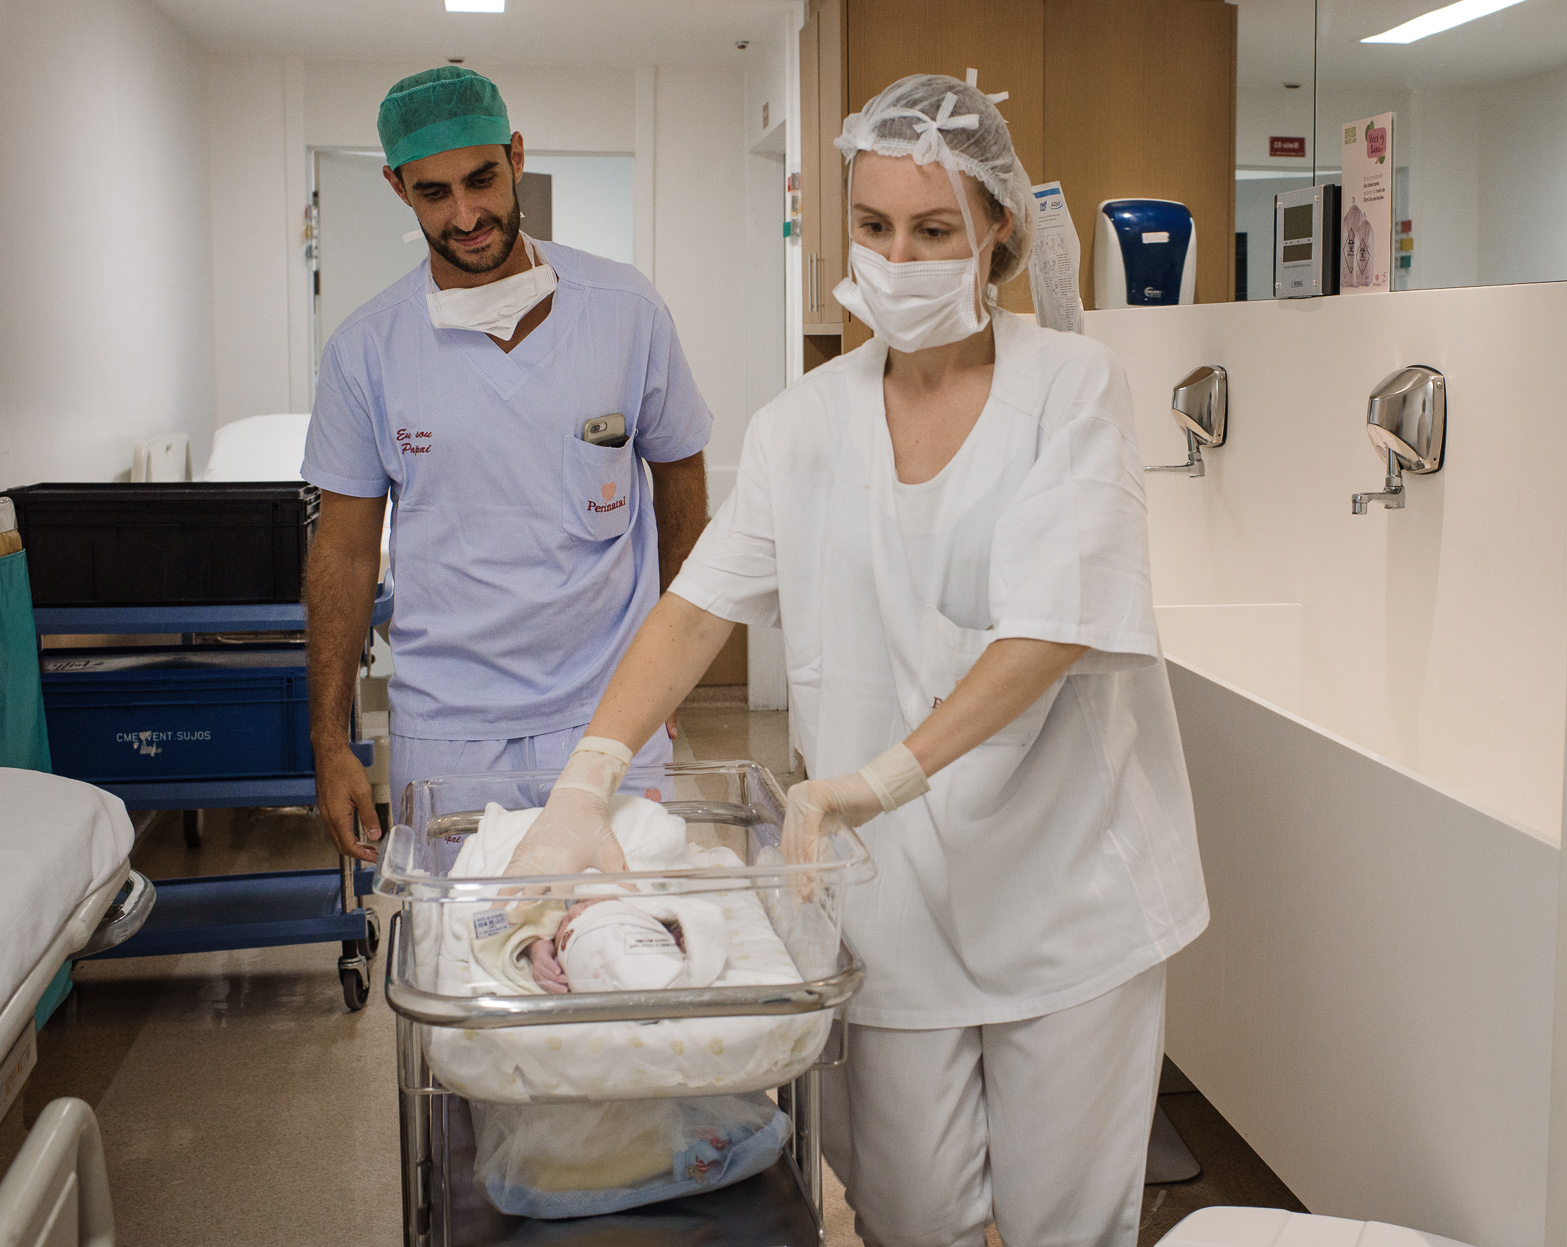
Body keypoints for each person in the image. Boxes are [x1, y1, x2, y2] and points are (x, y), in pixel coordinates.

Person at [513, 71, 1208, 1245]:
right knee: (907, 1212)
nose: (898, 257)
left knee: (1061, 1224)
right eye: (875, 227)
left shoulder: (1069, 389)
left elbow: (1050, 625)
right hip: (885, 904)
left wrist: (877, 777)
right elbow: (693, 608)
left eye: (934, 230)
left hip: (1068, 890)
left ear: (994, 227)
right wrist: (589, 774)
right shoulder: (804, 424)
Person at [302, 66, 713, 866]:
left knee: (615, 950)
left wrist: (673, 667)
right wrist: (329, 735)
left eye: (483, 179)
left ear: (517, 155)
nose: (466, 215)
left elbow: (683, 490)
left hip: (612, 711)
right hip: (450, 731)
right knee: (466, 963)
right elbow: (345, 551)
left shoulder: (626, 311)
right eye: (434, 194)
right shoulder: (367, 350)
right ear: (397, 188)